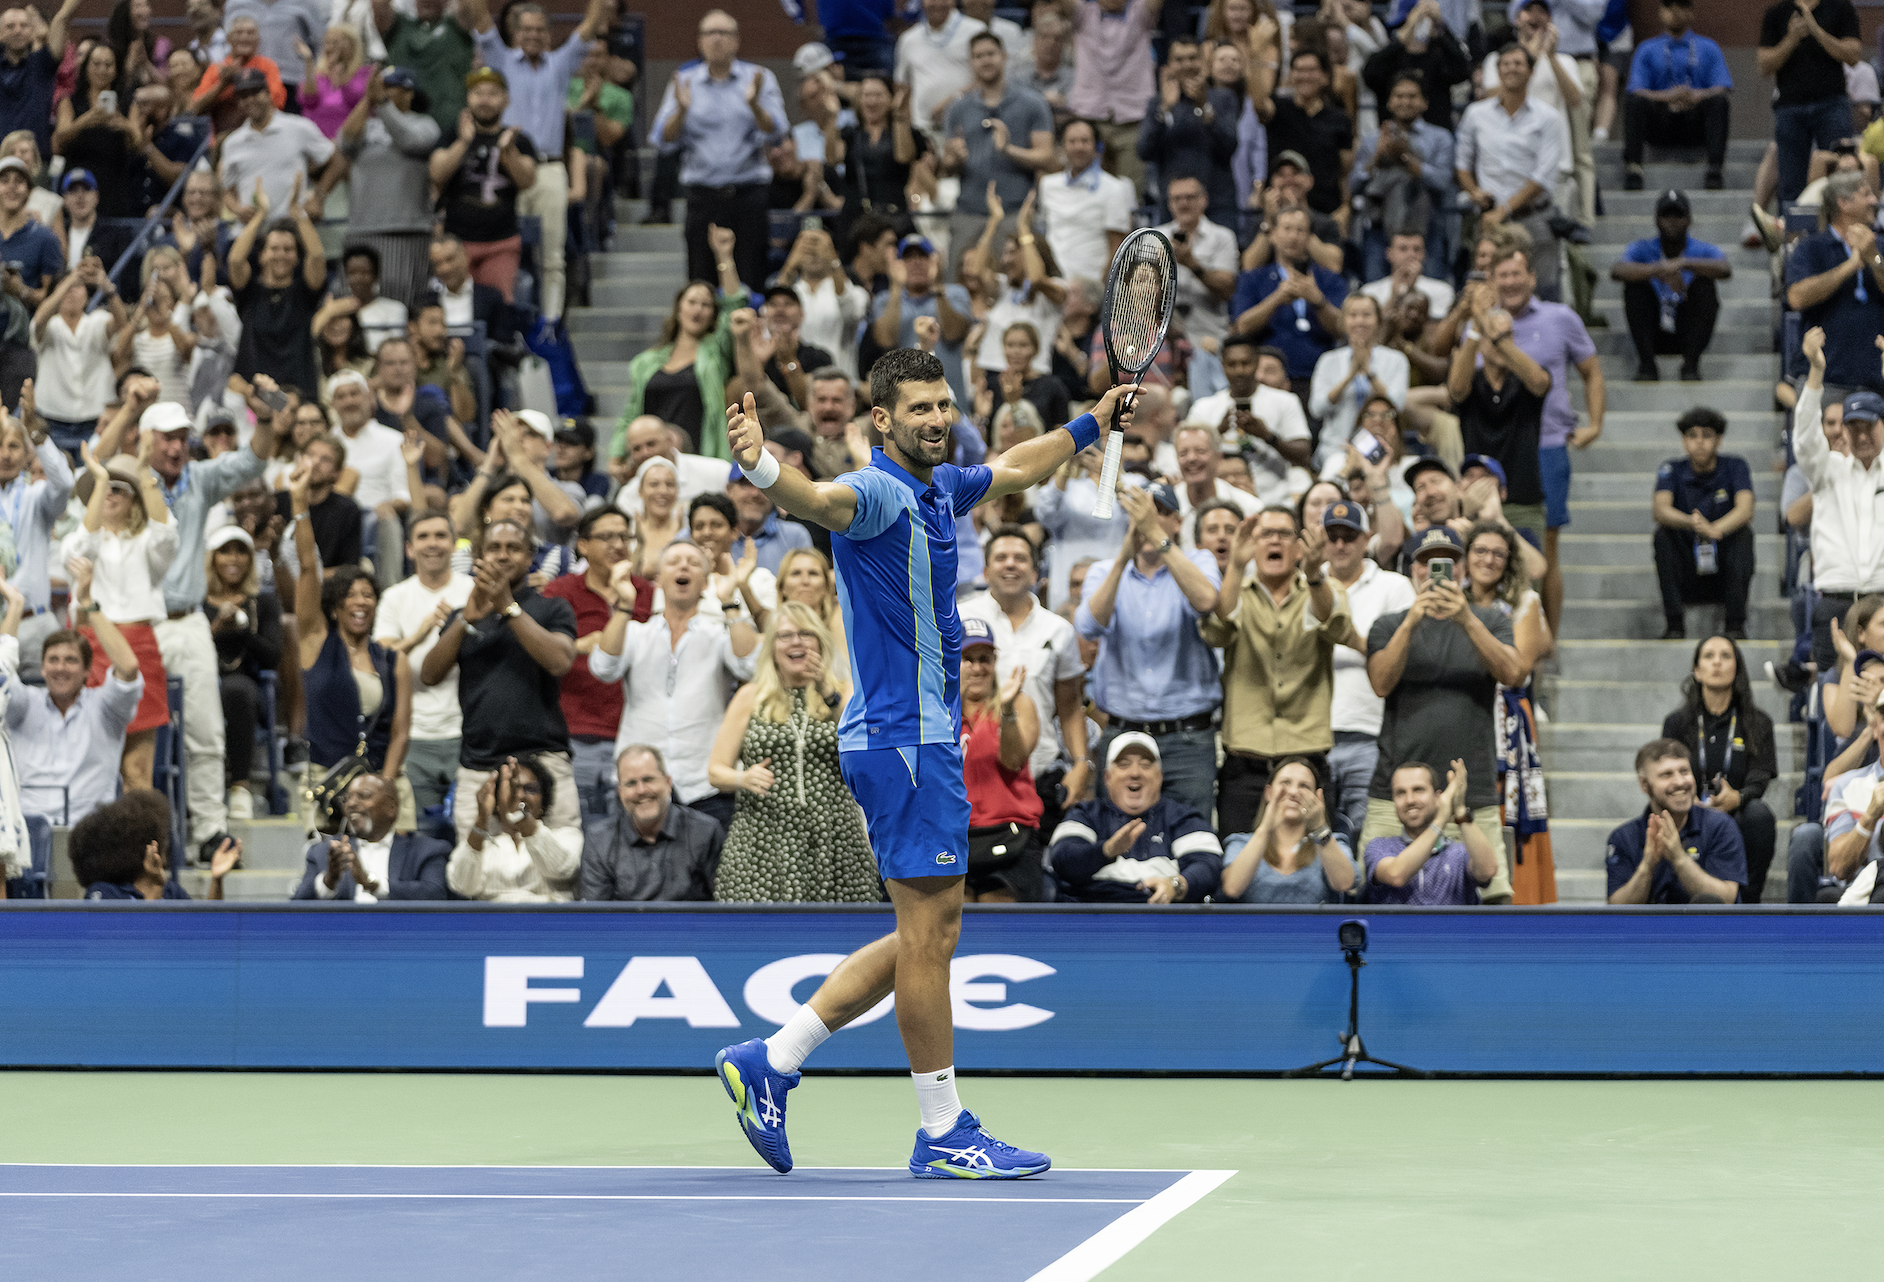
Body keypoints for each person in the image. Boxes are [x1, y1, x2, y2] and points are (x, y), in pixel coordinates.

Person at [709, 355, 1136, 1180]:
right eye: (919, 408)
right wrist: (762, 464)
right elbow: (816, 501)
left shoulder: (943, 486)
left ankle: (774, 1059)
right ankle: (941, 1128)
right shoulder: (874, 493)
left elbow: (1017, 464)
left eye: (944, 404)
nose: (937, 418)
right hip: (904, 743)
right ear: (882, 421)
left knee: (926, 933)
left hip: (920, 739)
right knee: (930, 940)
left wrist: (1092, 421)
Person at [1363, 526, 1525, 900]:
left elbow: (1513, 674)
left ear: (1462, 571)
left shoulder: (1491, 620)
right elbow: (1381, 683)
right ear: (1413, 570)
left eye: (1450, 562)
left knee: (1493, 895)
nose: (1438, 571)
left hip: (1470, 792)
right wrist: (1411, 621)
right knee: (1379, 893)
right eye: (1426, 562)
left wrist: (1467, 619)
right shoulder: (1389, 624)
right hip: (1397, 793)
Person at [420, 516, 580, 845]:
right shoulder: (462, 615)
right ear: (480, 555)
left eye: (514, 548)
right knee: (475, 875)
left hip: (544, 761)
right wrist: (465, 620)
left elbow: (560, 660)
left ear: (530, 556)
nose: (503, 555)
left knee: (559, 868)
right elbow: (430, 674)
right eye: (494, 548)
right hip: (478, 764)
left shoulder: (552, 608)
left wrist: (508, 607)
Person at [708, 600, 876, 903]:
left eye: (805, 634)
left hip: (834, 840)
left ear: (821, 642)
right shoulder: (750, 696)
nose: (796, 641)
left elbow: (861, 743)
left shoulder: (843, 691)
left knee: (845, 938)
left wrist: (827, 688)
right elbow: (715, 771)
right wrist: (742, 778)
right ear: (772, 646)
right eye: (785, 635)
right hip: (763, 840)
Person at [1076, 481, 1224, 822]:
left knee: (1194, 835)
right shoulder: (1104, 570)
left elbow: (1205, 601)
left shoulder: (1199, 560)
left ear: (1178, 523)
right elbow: (1088, 625)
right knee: (1120, 841)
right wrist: (1125, 555)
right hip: (1124, 737)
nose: (1147, 519)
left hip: (1188, 739)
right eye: (1140, 512)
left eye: (1159, 512)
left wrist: (1157, 536)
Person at [589, 540, 757, 834]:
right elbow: (603, 667)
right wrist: (625, 603)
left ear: (705, 582)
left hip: (705, 784)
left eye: (693, 563)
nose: (683, 566)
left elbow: (751, 666)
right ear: (657, 581)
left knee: (711, 879)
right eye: (674, 561)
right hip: (641, 784)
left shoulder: (719, 632)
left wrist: (729, 600)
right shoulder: (635, 631)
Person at [1480, 238, 1600, 640]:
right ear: (1492, 281)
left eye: (1517, 273)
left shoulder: (1560, 318)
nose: (1511, 282)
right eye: (1503, 276)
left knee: (1546, 548)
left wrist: (1596, 423)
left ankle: (1549, 643)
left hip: (1547, 442)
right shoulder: (1480, 320)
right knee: (1488, 538)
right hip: (1492, 445)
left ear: (1532, 277)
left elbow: (1591, 370)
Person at [1203, 505, 1348, 835]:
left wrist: (1314, 575)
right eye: (1265, 534)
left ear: (1299, 546)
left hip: (1307, 763)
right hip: (1245, 766)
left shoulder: (1325, 588)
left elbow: (1335, 625)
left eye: (1284, 534)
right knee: (1237, 867)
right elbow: (1217, 631)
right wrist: (1236, 567)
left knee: (1313, 865)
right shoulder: (1235, 590)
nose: (1275, 542)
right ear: (1252, 544)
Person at [286, 460, 413, 834]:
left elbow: (401, 732)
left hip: (382, 780)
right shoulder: (315, 643)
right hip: (327, 780)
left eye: (369, 594)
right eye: (351, 594)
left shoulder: (393, 659)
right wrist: (299, 506)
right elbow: (309, 567)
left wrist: (383, 787)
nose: (361, 601)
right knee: (326, 874)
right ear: (336, 605)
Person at [463, 0, 607, 319]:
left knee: (552, 255)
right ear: (515, 32)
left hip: (551, 168)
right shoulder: (500, 59)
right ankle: (511, 318)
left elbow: (591, 24)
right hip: (508, 169)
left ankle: (551, 323)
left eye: (540, 30)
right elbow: (481, 16)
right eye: (527, 29)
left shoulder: (561, 63)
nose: (534, 35)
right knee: (507, 247)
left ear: (549, 34)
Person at [959, 526, 1090, 847]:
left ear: (1034, 572)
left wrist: (1081, 763)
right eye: (1001, 558)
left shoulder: (1058, 629)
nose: (1010, 564)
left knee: (1033, 880)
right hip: (976, 775)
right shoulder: (959, 619)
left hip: (1041, 770)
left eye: (1020, 558)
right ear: (986, 571)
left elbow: (1071, 706)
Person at [651, 10, 785, 293]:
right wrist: (682, 110)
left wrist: (755, 105)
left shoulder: (759, 78)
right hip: (703, 199)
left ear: (736, 41)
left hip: (748, 196)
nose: (716, 40)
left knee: (751, 282)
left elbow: (778, 132)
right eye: (709, 33)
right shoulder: (684, 81)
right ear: (699, 42)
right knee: (702, 286)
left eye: (724, 33)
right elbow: (663, 140)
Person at [9, 558, 143, 827]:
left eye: (70, 660)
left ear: (86, 672)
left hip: (89, 833)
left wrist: (88, 604)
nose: (61, 668)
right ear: (42, 669)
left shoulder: (106, 708)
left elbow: (128, 667)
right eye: (53, 660)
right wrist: (15, 606)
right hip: (28, 828)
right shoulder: (24, 705)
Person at [541, 507, 648, 816]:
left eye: (624, 536)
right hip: (576, 733)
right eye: (606, 537)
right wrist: (576, 646)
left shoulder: (647, 592)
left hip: (632, 734)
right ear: (583, 546)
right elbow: (541, 654)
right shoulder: (559, 592)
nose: (617, 544)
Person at [1320, 498, 1414, 839]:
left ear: (1366, 539)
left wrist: (1349, 637)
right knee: (1314, 841)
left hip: (1371, 735)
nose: (1341, 544)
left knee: (1368, 840)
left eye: (1350, 535)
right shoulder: (1306, 584)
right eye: (1333, 536)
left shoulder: (1394, 587)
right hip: (1314, 736)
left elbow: (1405, 658)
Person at [1661, 634, 1778, 902]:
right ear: (1696, 670)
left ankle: (1748, 902)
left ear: (1737, 668)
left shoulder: (1758, 721)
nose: (1717, 663)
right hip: (1687, 809)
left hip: (1737, 812)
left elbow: (1760, 778)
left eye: (1726, 656)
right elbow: (1665, 771)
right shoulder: (1676, 723)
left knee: (1759, 815)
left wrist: (1736, 797)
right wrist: (1686, 799)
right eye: (1708, 656)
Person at [1793, 328, 1884, 673]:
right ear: (1843, 429)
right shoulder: (1827, 470)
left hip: (1883, 602)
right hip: (1835, 602)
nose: (1861, 434)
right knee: (1836, 700)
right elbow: (1804, 440)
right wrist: (1816, 373)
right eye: (1853, 426)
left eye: (1869, 426)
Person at [371, 508, 473, 815]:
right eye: (423, 536)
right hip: (413, 737)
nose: (433, 543)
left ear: (454, 544)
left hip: (465, 732)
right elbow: (380, 659)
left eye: (441, 536)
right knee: (419, 836)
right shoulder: (394, 597)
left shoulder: (473, 591)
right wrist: (420, 634)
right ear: (409, 548)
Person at [1046, 731, 1223, 902]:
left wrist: (1175, 886)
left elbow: (1208, 865)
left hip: (1164, 917)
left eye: (1146, 765)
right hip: (1093, 916)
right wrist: (1106, 851)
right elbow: (1063, 859)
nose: (1135, 773)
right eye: (1123, 764)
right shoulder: (1085, 814)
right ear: (1107, 777)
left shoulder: (1183, 817)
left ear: (1159, 776)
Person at [938, 32, 1055, 285]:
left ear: (1004, 57)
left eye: (990, 54)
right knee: (958, 285)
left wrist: (1009, 149)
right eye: (978, 56)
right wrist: (953, 158)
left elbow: (1047, 156)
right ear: (971, 62)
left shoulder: (1032, 103)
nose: (985, 61)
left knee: (1013, 284)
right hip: (968, 210)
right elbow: (946, 167)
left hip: (1015, 212)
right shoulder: (957, 109)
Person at [1454, 42, 1565, 301]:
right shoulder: (1475, 114)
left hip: (1533, 215)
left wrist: (1504, 211)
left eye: (1518, 63)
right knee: (1489, 289)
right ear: (1498, 70)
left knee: (1543, 289)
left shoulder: (1548, 117)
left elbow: (1542, 175)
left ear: (1531, 71)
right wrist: (1474, 191)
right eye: (1506, 64)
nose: (1511, 69)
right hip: (1489, 218)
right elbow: (1462, 164)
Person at [328, 68, 439, 311]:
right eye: (381, 87)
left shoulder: (425, 124)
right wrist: (368, 100)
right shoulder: (367, 126)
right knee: (352, 305)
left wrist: (383, 104)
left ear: (409, 92)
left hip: (406, 231)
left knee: (404, 305)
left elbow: (410, 141)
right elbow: (345, 142)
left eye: (390, 87)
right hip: (361, 229)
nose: (384, 91)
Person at [951, 615, 1044, 902]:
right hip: (957, 834)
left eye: (985, 659)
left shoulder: (1019, 704)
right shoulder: (940, 711)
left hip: (1010, 832)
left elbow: (1013, 761)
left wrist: (1005, 710)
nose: (977, 668)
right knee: (951, 916)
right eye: (968, 658)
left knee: (996, 908)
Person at [1446, 294, 1553, 542]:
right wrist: (1476, 327)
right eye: (1493, 338)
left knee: (1529, 575)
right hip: (1476, 501)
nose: (1500, 343)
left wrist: (1495, 335)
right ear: (1481, 343)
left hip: (1524, 501)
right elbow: (1456, 391)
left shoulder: (1527, 378)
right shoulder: (1471, 380)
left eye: (1508, 336)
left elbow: (1539, 383)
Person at [430, 67, 538, 304]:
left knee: (499, 306)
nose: (484, 100)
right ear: (468, 98)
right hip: (456, 245)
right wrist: (463, 142)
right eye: (478, 93)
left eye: (492, 93)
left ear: (505, 100)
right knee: (456, 308)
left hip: (501, 242)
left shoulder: (519, 140)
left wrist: (508, 151)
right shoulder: (453, 135)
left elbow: (527, 180)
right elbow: (436, 173)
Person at [613, 262, 740, 461]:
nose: (697, 309)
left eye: (706, 305)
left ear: (714, 315)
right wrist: (617, 454)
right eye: (692, 302)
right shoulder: (645, 362)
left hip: (700, 457)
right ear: (678, 306)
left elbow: (735, 308)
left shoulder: (716, 354)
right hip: (653, 460)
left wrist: (723, 257)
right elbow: (631, 412)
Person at [1606, 738, 1747, 904]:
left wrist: (1678, 857)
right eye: (1666, 775)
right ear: (1644, 784)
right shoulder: (1623, 837)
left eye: (1685, 771)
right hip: (1649, 929)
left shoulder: (1720, 826)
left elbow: (1726, 899)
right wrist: (1647, 865)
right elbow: (1616, 909)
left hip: (1705, 929)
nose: (1680, 782)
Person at [201, 525, 280, 819]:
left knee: (235, 690)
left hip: (247, 688)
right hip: (202, 683)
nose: (233, 559)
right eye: (225, 551)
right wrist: (217, 627)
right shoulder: (195, 602)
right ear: (213, 558)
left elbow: (272, 657)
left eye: (241, 552)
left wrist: (244, 631)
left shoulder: (263, 602)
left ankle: (240, 787)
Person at [579, 743, 724, 901]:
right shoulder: (599, 840)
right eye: (631, 783)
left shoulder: (706, 831)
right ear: (620, 793)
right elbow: (596, 918)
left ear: (668, 783)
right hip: (626, 926)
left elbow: (724, 907)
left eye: (648, 780)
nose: (641, 790)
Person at [1611, 188, 1728, 383]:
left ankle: (1691, 365)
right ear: (1656, 219)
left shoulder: (1700, 249)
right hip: (1654, 329)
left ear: (1689, 219)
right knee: (1634, 288)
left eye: (1678, 215)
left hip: (1687, 330)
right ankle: (1647, 364)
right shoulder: (1643, 248)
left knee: (1705, 285)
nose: (1672, 221)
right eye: (1666, 215)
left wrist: (1684, 264)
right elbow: (1617, 270)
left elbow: (1725, 269)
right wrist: (1658, 270)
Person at [1785, 173, 1884, 396]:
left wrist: (1874, 258)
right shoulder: (1810, 247)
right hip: (1824, 379)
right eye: (1866, 194)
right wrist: (1850, 266)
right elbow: (1797, 297)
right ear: (1844, 203)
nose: (1874, 201)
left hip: (1877, 378)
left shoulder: (1880, 248)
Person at [1351, 75, 1453, 284]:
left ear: (1424, 102)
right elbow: (1353, 185)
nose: (1405, 101)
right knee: (1374, 290)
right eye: (1399, 96)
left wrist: (1406, 159)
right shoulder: (1372, 140)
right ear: (1389, 102)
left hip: (1427, 229)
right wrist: (1376, 158)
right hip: (1379, 230)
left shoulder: (1440, 138)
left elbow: (1443, 182)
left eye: (1412, 96)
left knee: (1431, 292)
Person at [1759, 0, 1863, 205]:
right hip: (1790, 106)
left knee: (1841, 176)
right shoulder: (1777, 13)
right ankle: (1791, 234)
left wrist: (1817, 31)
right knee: (1790, 184)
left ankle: (1839, 232)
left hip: (1832, 103)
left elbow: (1854, 55)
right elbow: (1764, 66)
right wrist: (1791, 38)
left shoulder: (1841, 8)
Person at [1622, 0, 1730, 190]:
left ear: (1690, 13)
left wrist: (1697, 95)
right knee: (1634, 103)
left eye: (1681, 7)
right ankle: (1634, 168)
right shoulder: (1647, 49)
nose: (1675, 13)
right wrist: (1669, 96)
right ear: (1661, 12)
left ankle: (1714, 168)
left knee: (1719, 102)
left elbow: (1722, 86)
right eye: (1669, 8)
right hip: (1661, 122)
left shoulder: (1708, 47)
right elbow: (1636, 89)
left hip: (1695, 122)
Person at [292, 772, 451, 899]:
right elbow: (295, 909)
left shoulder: (427, 850)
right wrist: (329, 881)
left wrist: (371, 884)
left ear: (391, 807)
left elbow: (434, 894)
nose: (351, 804)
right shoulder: (323, 851)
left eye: (364, 795)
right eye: (347, 799)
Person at [1219, 756, 1354, 903]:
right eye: (1285, 783)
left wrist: (1320, 829)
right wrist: (1264, 829)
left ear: (1318, 797)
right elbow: (1232, 888)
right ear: (1268, 792)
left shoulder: (1331, 843)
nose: (1294, 792)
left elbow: (1344, 884)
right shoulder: (1240, 843)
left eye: (1304, 786)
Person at [1364, 759, 1500, 904]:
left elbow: (1487, 870)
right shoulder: (1379, 847)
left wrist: (1459, 809)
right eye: (1400, 793)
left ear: (1437, 798)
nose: (1409, 800)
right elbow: (1397, 875)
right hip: (1400, 927)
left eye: (1418, 790)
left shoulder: (1460, 852)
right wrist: (1440, 820)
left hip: (1453, 927)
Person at [448, 752, 581, 900]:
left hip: (548, 920)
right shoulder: (481, 846)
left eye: (530, 789)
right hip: (494, 921)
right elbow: (462, 886)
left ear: (544, 800)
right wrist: (481, 820)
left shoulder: (566, 836)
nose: (521, 796)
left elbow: (562, 870)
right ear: (496, 802)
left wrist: (521, 817)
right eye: (513, 790)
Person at [1137, 38, 1240, 227]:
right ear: (1169, 65)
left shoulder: (1222, 98)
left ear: (1203, 62)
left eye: (1192, 58)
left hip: (1217, 202)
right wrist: (1165, 109)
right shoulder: (1157, 104)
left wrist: (1204, 108)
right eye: (1179, 60)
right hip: (1174, 204)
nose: (1186, 65)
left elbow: (1230, 146)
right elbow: (1144, 151)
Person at [74, 788, 239, 899]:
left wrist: (216, 880)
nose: (163, 845)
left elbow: (204, 935)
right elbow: (135, 946)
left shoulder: (171, 891)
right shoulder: (103, 893)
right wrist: (154, 892)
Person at [1253, 48, 1355, 223]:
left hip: (1326, 212)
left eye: (1311, 70)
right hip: (1282, 212)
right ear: (1291, 75)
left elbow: (1344, 172)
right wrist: (1256, 55)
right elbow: (1259, 104)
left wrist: (1345, 208)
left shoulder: (1339, 119)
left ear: (1324, 76)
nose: (1305, 76)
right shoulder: (1279, 109)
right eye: (1299, 70)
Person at [1309, 294, 1409, 466]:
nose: (1359, 321)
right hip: (1336, 448)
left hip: (1382, 448)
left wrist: (1369, 373)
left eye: (1366, 315)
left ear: (1378, 320)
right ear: (1343, 321)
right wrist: (1350, 375)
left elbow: (1396, 406)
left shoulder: (1396, 360)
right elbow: (1316, 408)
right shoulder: (1328, 360)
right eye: (1353, 315)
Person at [1039, 118, 1134, 287]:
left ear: (1096, 147)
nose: (1078, 147)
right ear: (1062, 147)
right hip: (1054, 282)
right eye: (1072, 142)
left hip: (1092, 284)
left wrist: (1103, 293)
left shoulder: (1115, 188)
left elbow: (1117, 248)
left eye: (1085, 141)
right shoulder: (1048, 185)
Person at [373, 0, 474, 138]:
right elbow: (379, 5)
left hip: (451, 132)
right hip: (401, 133)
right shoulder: (399, 26)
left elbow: (470, 6)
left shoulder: (457, 27)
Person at [0, 0, 79, 160]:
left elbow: (62, 17)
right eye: (10, 26)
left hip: (36, 161)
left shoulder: (43, 63)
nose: (18, 31)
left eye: (24, 26)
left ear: (32, 31)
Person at [1360, 230, 1454, 319]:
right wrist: (1395, 297)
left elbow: (1431, 328)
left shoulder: (1442, 290)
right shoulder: (1369, 292)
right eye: (1403, 249)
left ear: (1424, 254)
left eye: (1416, 249)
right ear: (1389, 254)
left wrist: (1411, 289)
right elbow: (1375, 328)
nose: (1411, 254)